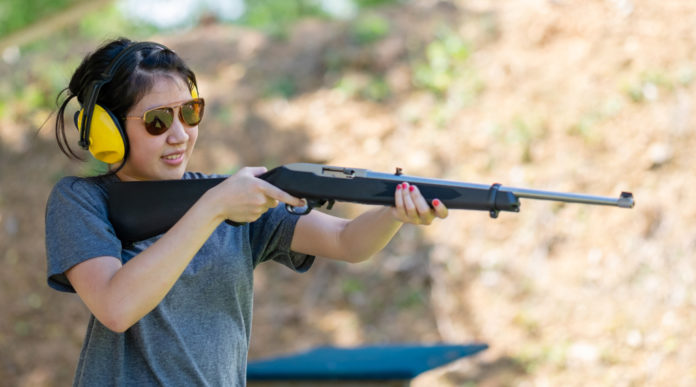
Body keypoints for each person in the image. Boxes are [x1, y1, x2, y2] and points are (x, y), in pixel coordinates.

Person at [45, 38, 448, 386]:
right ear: (106, 130)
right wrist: (214, 209)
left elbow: (347, 241)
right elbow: (116, 307)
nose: (180, 134)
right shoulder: (83, 200)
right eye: (157, 121)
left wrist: (395, 211)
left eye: (190, 112)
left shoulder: (232, 197)